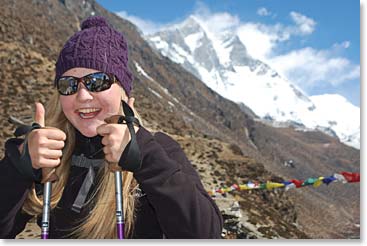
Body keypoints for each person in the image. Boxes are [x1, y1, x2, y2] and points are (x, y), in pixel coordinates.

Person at [0, 16, 223, 239]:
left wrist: (144, 154)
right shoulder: (49, 153)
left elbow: (205, 234)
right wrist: (17, 167)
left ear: (123, 91)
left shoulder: (159, 149)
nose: (82, 96)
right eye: (68, 84)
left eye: (97, 81)